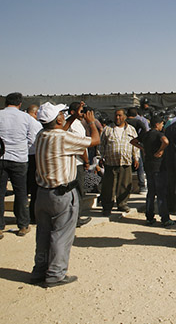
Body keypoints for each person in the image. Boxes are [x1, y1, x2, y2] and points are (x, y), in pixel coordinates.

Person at [30, 102, 99, 287]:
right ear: (58, 118)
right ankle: (55, 274)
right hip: (62, 195)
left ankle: (39, 271)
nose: (63, 115)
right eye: (62, 113)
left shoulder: (42, 135)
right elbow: (94, 141)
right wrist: (91, 123)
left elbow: (59, 129)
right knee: (61, 235)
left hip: (43, 194)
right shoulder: (63, 138)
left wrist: (74, 117)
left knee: (43, 234)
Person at [0, 92, 40, 237]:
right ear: (20, 104)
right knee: (21, 192)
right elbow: (32, 138)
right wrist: (21, 146)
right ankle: (23, 225)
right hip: (19, 159)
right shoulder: (26, 118)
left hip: (1, 157)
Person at [130, 115, 175, 226]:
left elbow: (133, 141)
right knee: (161, 193)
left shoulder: (145, 134)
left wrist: (143, 148)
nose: (162, 125)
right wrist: (161, 150)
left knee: (150, 192)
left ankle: (149, 217)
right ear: (157, 124)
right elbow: (166, 141)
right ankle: (165, 218)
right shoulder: (159, 134)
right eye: (161, 124)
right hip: (159, 166)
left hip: (148, 165)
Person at [98, 109, 139, 216]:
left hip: (126, 162)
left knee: (124, 185)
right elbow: (101, 145)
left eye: (120, 116)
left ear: (125, 117)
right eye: (116, 116)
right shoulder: (108, 129)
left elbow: (135, 146)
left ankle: (122, 204)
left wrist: (136, 158)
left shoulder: (131, 130)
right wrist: (101, 157)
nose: (117, 118)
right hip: (111, 163)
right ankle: (107, 207)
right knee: (108, 186)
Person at [67, 103, 92, 228]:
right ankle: (76, 218)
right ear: (73, 112)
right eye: (81, 111)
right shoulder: (75, 125)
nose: (84, 114)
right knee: (78, 191)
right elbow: (80, 146)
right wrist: (86, 161)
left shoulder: (71, 124)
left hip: (72, 162)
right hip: (77, 163)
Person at [26, 104, 43, 224]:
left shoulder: (22, 121)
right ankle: (33, 216)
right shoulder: (36, 124)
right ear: (36, 113)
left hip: (21, 157)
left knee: (22, 191)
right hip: (33, 157)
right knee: (35, 189)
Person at [127, 107, 148, 193]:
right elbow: (145, 129)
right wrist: (140, 138)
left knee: (127, 167)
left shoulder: (125, 122)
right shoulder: (138, 122)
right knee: (140, 166)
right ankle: (142, 186)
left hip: (125, 144)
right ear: (136, 114)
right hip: (135, 144)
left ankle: (128, 186)